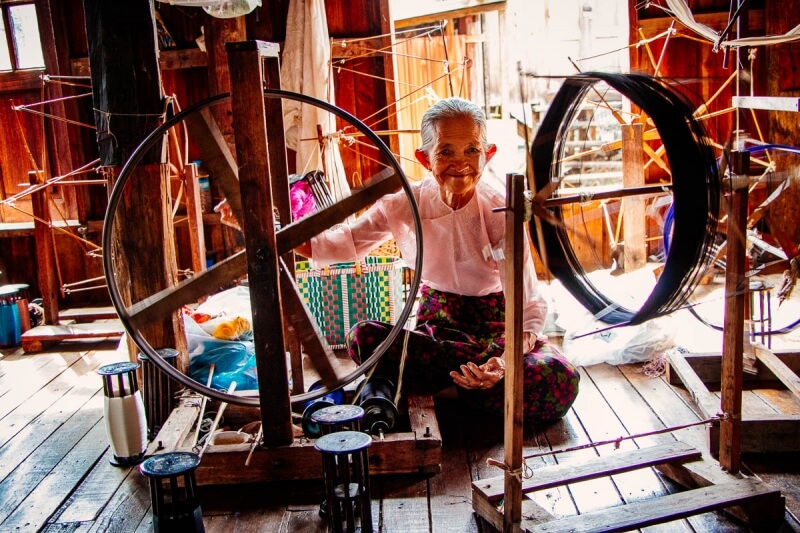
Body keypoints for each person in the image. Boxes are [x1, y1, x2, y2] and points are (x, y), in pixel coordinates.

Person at [306, 97, 580, 423]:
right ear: (425, 158)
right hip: (437, 329)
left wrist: (503, 364)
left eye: (472, 150)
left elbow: (528, 309)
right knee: (362, 336)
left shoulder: (500, 211)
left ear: (488, 154)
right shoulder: (405, 203)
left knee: (559, 379)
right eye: (445, 151)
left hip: (496, 332)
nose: (460, 163)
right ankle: (469, 392)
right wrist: (264, 229)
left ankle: (433, 387)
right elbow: (341, 245)